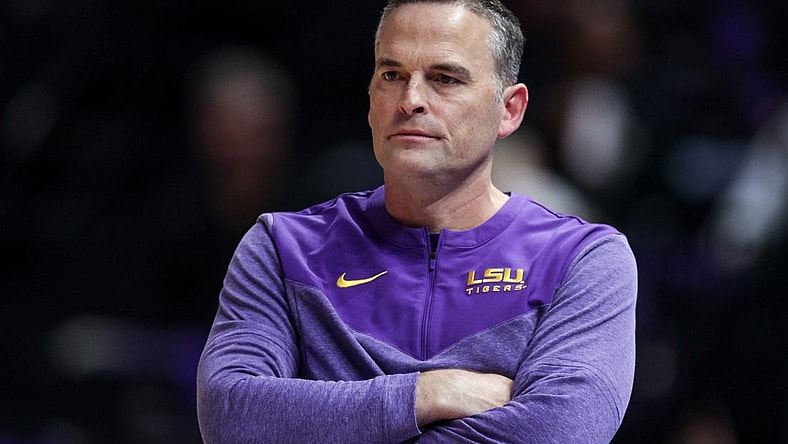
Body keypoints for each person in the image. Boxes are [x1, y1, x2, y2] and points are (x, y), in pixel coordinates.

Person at [196, 0, 637, 442]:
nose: (410, 101)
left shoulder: (581, 259)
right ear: (371, 101)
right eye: (392, 76)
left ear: (509, 110)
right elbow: (230, 415)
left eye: (445, 79)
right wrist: (429, 394)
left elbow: (558, 430)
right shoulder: (282, 248)